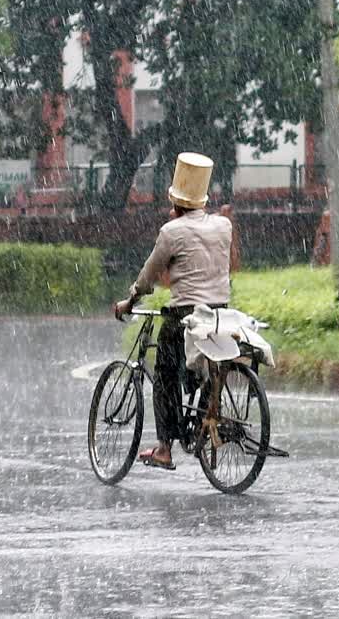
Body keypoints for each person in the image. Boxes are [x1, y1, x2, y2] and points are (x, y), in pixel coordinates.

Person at [113, 152, 232, 470]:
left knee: (165, 374)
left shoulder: (171, 232)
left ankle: (165, 447)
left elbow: (149, 275)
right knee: (203, 366)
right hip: (220, 313)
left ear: (175, 203)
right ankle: (207, 407)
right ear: (203, 200)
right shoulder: (224, 225)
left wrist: (131, 301)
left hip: (185, 317)